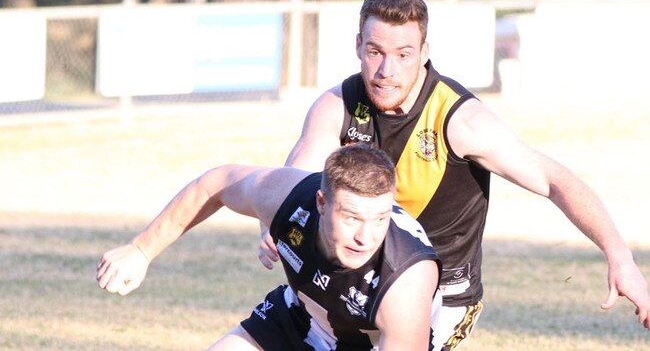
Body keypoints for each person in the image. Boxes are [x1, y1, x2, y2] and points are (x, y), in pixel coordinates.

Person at [256, 0, 650, 350]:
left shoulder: (459, 120)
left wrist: (620, 257)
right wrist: (271, 223)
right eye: (375, 52)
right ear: (358, 45)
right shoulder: (337, 104)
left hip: (442, 297)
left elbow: (553, 180)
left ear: (425, 51)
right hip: (356, 279)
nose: (386, 70)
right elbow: (296, 181)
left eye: (404, 54)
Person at [96, 144, 443, 350]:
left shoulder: (406, 280)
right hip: (302, 315)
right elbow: (215, 184)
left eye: (379, 219)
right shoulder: (290, 199)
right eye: (352, 217)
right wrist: (141, 250)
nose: (365, 237)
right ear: (321, 202)